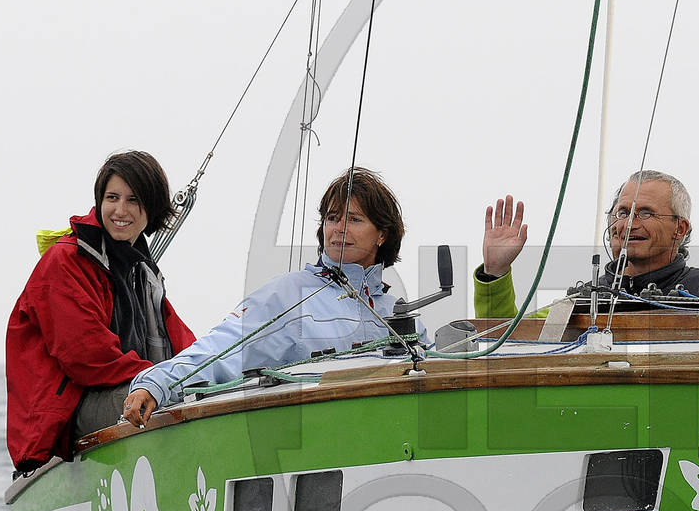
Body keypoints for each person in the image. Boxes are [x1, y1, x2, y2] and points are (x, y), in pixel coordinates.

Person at [121, 167, 478, 426]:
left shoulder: (397, 314)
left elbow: (434, 378)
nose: (338, 229)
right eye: (332, 218)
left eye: (354, 219)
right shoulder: (290, 294)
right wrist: (158, 383)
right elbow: (222, 347)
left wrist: (492, 273)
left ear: (382, 234)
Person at [6, 151, 197, 473]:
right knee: (174, 399)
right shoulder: (66, 262)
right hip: (67, 414)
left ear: (152, 207)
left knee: (211, 391)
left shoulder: (141, 270)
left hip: (126, 386)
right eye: (112, 198)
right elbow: (87, 358)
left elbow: (183, 343)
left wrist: (219, 370)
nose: (120, 210)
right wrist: (158, 381)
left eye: (133, 200)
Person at [470, 169, 699, 316]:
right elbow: (505, 341)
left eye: (645, 213)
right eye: (621, 212)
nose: (627, 224)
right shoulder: (581, 303)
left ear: (680, 228)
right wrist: (495, 272)